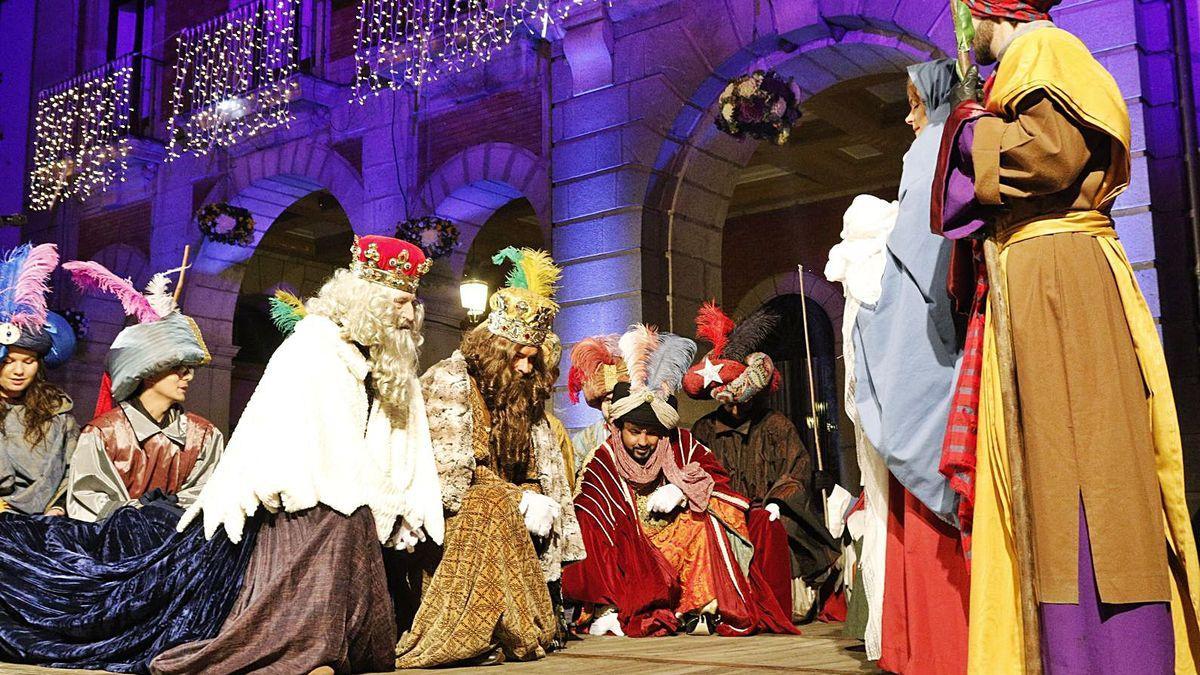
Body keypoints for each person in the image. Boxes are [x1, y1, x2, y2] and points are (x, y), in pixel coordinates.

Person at [931, 3, 1200, 670]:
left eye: (969, 13)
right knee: (1049, 477)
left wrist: (968, 132)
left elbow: (1050, 156)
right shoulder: (1029, 64)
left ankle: (1111, 654)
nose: (965, 35)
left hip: (1061, 289)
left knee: (1088, 474)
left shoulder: (1049, 53)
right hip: (1038, 281)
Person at [153, 235, 444, 674]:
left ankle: (341, 646)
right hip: (296, 496)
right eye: (400, 302)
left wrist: (401, 498)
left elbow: (402, 439)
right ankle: (308, 648)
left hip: (347, 491)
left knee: (353, 519)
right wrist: (375, 496)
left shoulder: (385, 360)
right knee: (339, 522)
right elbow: (312, 445)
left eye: (412, 304)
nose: (408, 316)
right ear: (369, 299)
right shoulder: (315, 347)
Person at [0, 259, 254, 673]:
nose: (187, 377)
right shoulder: (104, 434)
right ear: (147, 371)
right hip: (102, 548)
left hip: (175, 553)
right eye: (176, 367)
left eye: (28, 360)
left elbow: (204, 498)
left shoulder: (204, 436)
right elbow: (90, 498)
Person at [831, 60, 972, 673]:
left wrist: (869, 302)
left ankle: (940, 646)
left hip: (928, 347)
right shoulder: (943, 145)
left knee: (925, 484)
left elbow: (917, 256)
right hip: (939, 332)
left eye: (914, 104)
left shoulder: (930, 151)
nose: (909, 118)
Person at [395, 246, 583, 668]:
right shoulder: (451, 381)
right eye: (518, 356)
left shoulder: (521, 398)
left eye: (532, 360)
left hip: (501, 498)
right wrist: (518, 497)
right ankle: (475, 633)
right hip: (453, 505)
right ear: (496, 348)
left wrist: (535, 494)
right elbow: (453, 474)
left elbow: (536, 467)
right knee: (492, 506)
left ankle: (513, 628)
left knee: (499, 505)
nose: (523, 368)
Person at [564, 324, 798, 638]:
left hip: (676, 534)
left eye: (652, 432)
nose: (644, 441)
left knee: (705, 523)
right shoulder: (602, 456)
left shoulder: (681, 444)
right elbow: (590, 511)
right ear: (620, 427)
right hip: (632, 546)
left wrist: (683, 487)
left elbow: (714, 476)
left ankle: (702, 609)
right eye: (635, 431)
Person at [682, 302, 839, 622]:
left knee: (780, 529)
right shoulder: (705, 430)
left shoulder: (777, 426)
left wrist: (778, 503)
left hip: (771, 511)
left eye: (745, 402)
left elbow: (797, 470)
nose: (737, 411)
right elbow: (696, 472)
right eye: (731, 403)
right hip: (724, 513)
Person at [0, 242, 78, 517]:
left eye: (28, 361)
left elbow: (73, 468)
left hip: (45, 525)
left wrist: (58, 506)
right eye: (9, 361)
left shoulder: (58, 413)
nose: (18, 370)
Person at [565, 333, 627, 467]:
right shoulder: (585, 440)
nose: (614, 407)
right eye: (609, 400)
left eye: (621, 399)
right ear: (599, 404)